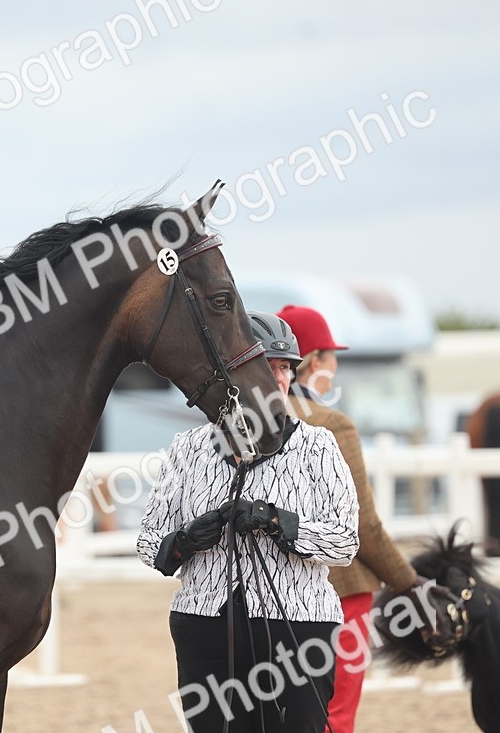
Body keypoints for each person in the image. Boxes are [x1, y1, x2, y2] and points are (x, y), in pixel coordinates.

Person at [137, 311, 359, 733]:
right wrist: (186, 540)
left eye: (286, 368)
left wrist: (277, 521)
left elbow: (345, 543)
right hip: (204, 625)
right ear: (234, 372)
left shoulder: (317, 446)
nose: (279, 378)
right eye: (268, 367)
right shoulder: (188, 448)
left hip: (298, 623)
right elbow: (150, 542)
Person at [277, 303, 426, 733]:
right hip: (341, 590)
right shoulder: (332, 424)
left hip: (271, 591)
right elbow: (363, 526)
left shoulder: (249, 423)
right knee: (335, 716)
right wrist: (409, 584)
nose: (335, 365)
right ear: (315, 361)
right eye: (331, 355)